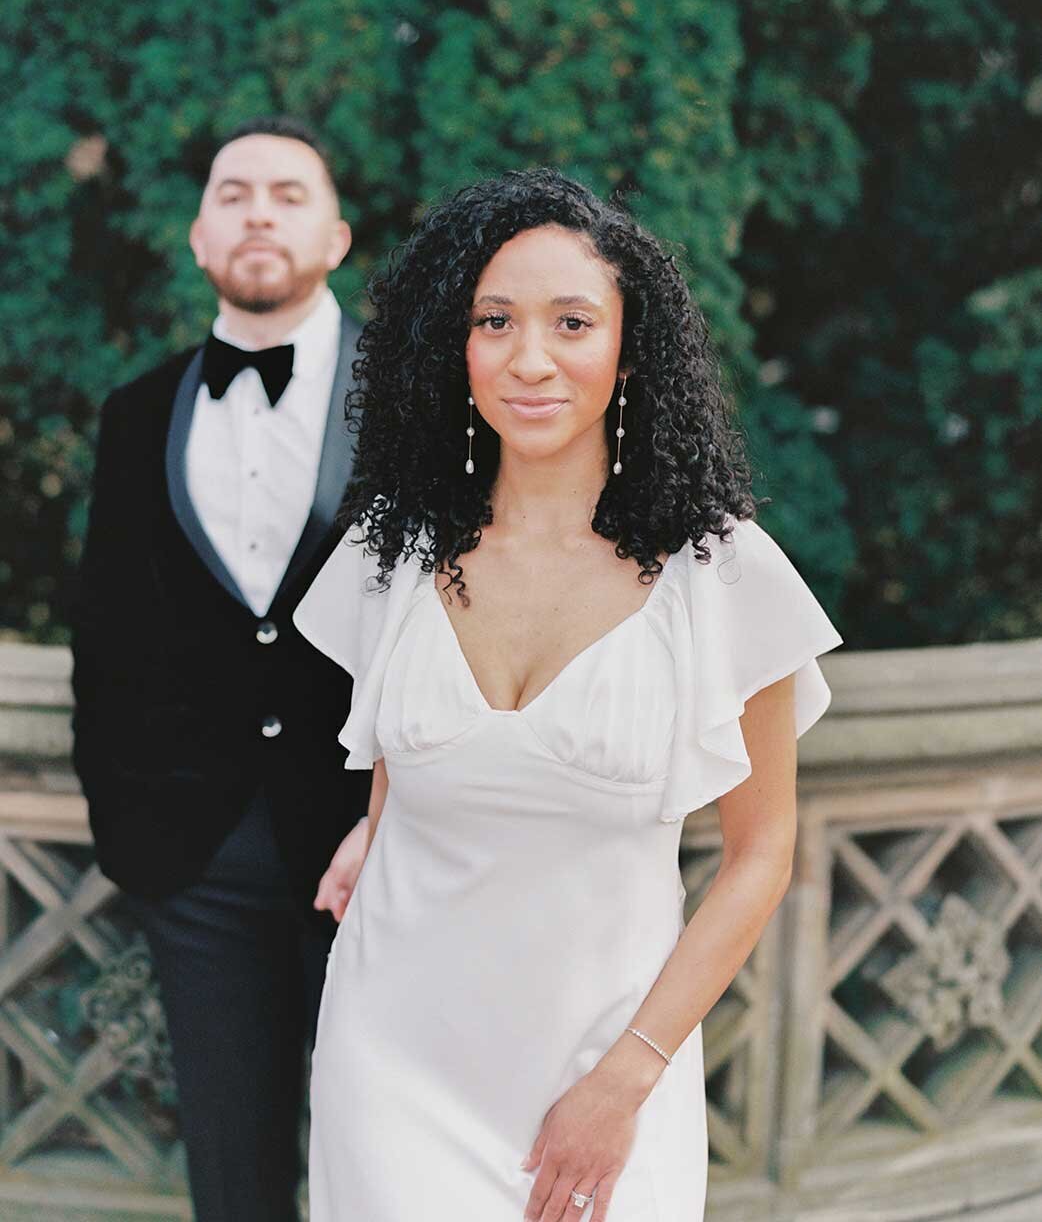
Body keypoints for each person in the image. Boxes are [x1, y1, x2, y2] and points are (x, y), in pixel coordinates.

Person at [293, 167, 844, 1221]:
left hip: (604, 1060)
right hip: (390, 1047)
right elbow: (402, 756)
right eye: (492, 320)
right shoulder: (388, 553)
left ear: (629, 348)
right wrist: (383, 828)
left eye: (571, 322)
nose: (529, 358)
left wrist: (624, 1077)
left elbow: (761, 852)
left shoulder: (724, 574)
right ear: (453, 347)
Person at [71, 116, 371, 1222]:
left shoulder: (419, 404)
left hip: (377, 847)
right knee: (232, 1181)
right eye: (233, 192)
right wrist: (131, 829)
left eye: (288, 193)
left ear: (335, 236)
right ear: (198, 236)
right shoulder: (134, 411)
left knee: (386, 1163)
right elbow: (102, 631)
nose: (258, 211)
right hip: (195, 859)